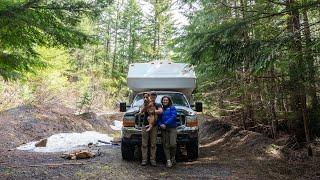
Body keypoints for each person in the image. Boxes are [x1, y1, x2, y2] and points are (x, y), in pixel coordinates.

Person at [141, 92, 163, 166]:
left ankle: (152, 160)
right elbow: (141, 111)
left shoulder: (158, 104)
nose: (152, 97)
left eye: (154, 95)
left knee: (153, 144)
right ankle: (144, 160)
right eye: (151, 95)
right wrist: (146, 106)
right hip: (145, 124)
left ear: (156, 96)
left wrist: (153, 111)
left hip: (154, 126)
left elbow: (160, 111)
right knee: (144, 144)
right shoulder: (145, 104)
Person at [157, 96, 177, 168]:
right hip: (163, 129)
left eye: (166, 100)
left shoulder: (172, 108)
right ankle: (168, 161)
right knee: (166, 145)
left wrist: (165, 123)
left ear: (169, 101)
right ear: (162, 101)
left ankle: (173, 157)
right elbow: (158, 118)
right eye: (164, 100)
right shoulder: (161, 109)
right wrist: (160, 124)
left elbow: (173, 116)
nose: (165, 101)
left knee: (173, 144)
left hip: (172, 128)